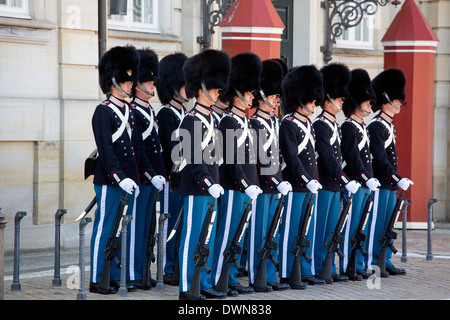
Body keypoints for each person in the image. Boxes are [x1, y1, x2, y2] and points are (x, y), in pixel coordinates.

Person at [90, 45, 156, 294]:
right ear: (114, 81)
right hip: (110, 181)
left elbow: (137, 149)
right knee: (105, 228)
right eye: (126, 81)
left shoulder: (129, 110)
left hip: (129, 181)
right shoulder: (103, 111)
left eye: (131, 81)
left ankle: (115, 275)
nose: (131, 85)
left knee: (119, 232)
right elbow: (106, 151)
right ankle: (97, 278)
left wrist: (146, 174)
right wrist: (120, 178)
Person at [177, 49, 231, 300]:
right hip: (197, 188)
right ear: (201, 88)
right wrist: (208, 183)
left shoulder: (212, 119)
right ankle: (187, 287)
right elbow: (193, 158)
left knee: (206, 238)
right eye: (215, 89)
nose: (219, 93)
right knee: (192, 238)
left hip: (211, 188)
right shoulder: (190, 120)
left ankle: (203, 281)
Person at [212, 52, 263, 295]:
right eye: (250, 92)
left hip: (247, 186)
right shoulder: (228, 122)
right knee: (227, 235)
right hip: (234, 187)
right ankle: (221, 276)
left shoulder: (247, 121)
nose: (253, 96)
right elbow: (232, 161)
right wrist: (244, 183)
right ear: (237, 93)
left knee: (239, 235)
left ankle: (231, 276)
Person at [312, 62, 361, 283]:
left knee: (332, 229)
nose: (342, 102)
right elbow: (328, 158)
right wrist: (343, 178)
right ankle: (318, 265)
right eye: (339, 98)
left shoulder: (333, 124)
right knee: (321, 228)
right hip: (324, 182)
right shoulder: (321, 124)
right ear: (328, 98)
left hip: (335, 185)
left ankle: (328, 266)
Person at [278, 65, 325, 287]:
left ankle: (304, 269)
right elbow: (292, 158)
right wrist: (306, 179)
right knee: (292, 228)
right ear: (300, 99)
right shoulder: (288, 124)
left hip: (310, 184)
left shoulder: (308, 123)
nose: (314, 104)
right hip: (296, 184)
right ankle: (288, 270)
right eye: (311, 100)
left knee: (307, 228)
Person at [248, 59, 292, 292]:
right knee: (259, 233)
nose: (277, 100)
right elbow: (259, 159)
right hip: (263, 185)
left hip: (276, 184)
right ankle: (258, 275)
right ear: (262, 95)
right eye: (274, 96)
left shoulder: (275, 121)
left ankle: (270, 273)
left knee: (271, 231)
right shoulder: (254, 122)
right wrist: (275, 181)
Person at [366, 68, 414, 277]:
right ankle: (372, 260)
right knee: (376, 224)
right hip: (381, 181)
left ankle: (384, 259)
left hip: (389, 183)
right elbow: (380, 158)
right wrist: (396, 177)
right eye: (396, 100)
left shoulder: (388, 125)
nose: (399, 105)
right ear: (386, 99)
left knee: (387, 224)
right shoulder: (376, 126)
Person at [339, 68, 380, 280]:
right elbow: (353, 157)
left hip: (365, 183)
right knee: (351, 227)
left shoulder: (361, 126)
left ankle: (358, 263)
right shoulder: (348, 127)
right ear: (356, 102)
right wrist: (365, 177)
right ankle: (348, 265)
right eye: (366, 101)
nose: (370, 104)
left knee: (360, 227)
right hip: (356, 183)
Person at [131, 47, 166, 289]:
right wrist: (150, 174)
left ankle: (143, 271)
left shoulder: (148, 109)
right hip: (142, 177)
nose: (153, 87)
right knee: (137, 228)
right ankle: (134, 272)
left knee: (149, 229)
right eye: (149, 83)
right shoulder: (133, 110)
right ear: (137, 85)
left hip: (152, 177)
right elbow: (140, 149)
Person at [155, 52, 188, 285]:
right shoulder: (166, 114)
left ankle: (177, 264)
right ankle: (167, 267)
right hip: (171, 178)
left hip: (185, 179)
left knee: (182, 224)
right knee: (170, 223)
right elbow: (171, 149)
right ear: (174, 86)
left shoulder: (184, 112)